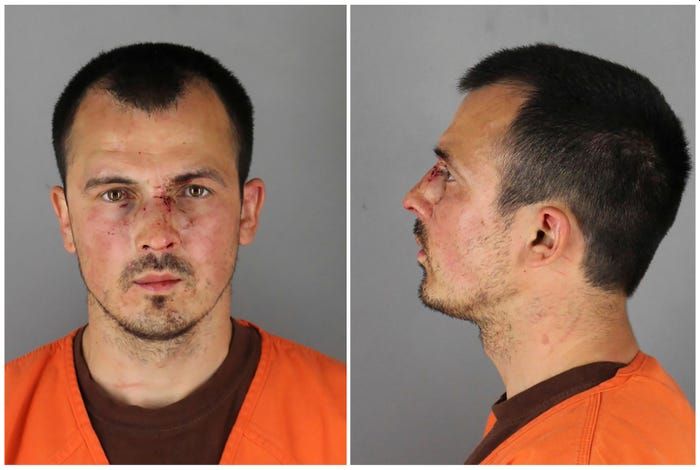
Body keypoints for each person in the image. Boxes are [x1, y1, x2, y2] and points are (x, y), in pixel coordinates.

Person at [5, 42, 345, 465]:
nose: (157, 235)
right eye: (115, 194)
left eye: (194, 191)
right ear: (65, 218)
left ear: (248, 211)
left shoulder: (342, 417)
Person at [402, 43, 693, 464]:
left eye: (448, 175)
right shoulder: (635, 410)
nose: (414, 198)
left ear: (543, 236)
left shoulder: (574, 454)